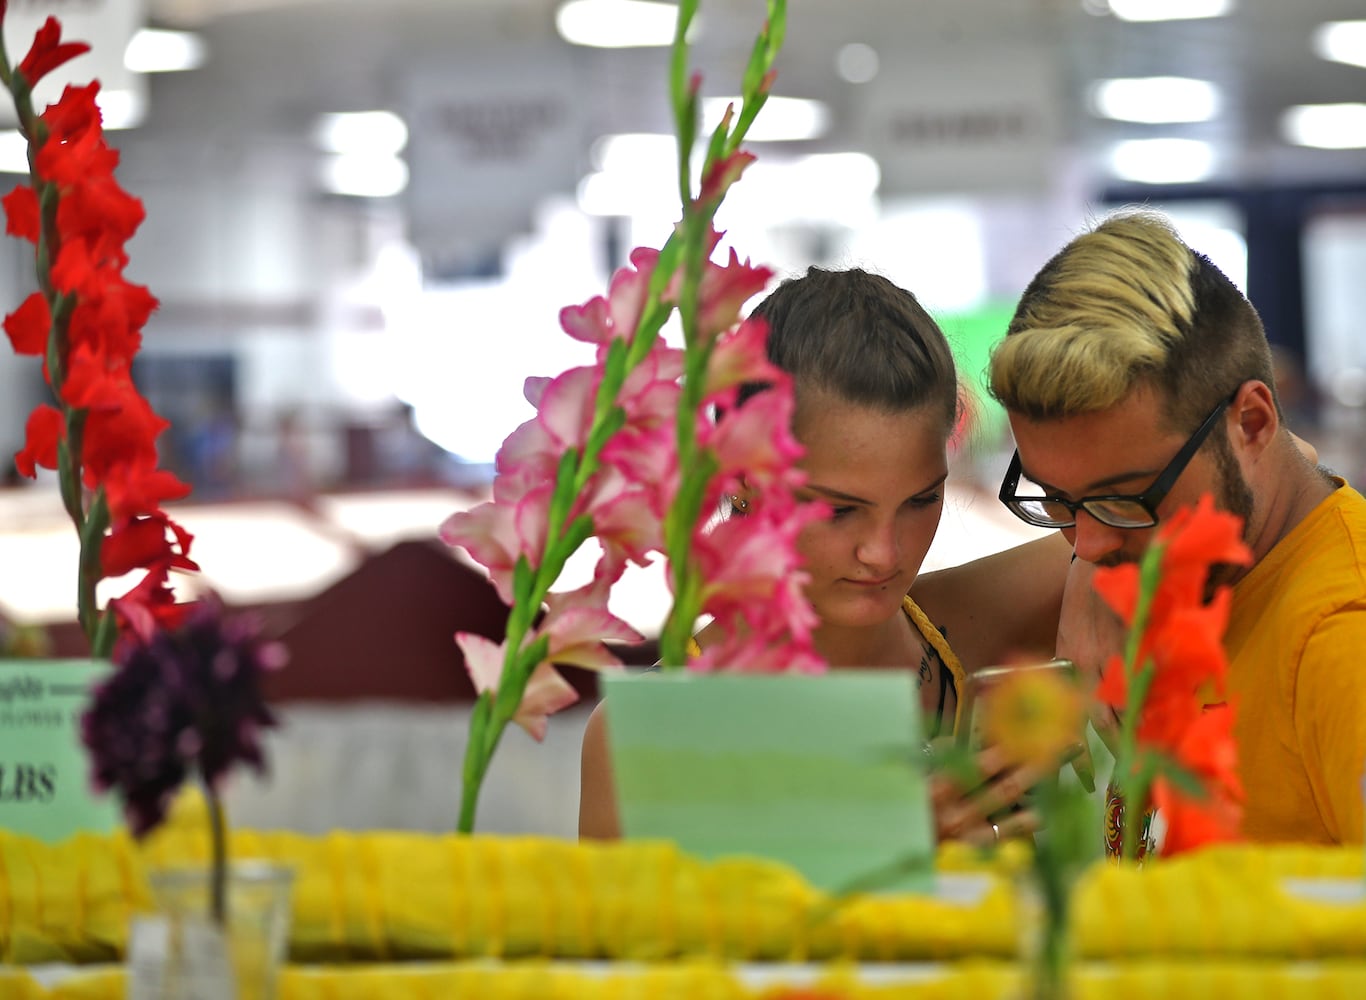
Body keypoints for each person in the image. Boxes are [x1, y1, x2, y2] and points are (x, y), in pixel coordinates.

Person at [578, 266, 1074, 842]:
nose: (883, 553)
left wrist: (1090, 572)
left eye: (920, 501)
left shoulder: (978, 630)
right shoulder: (644, 737)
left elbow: (1167, 532)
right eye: (839, 510)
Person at [988, 208, 1366, 845]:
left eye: (1127, 499)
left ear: (1251, 422)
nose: (1090, 545)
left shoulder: (1341, 641)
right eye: (1058, 501)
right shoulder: (1197, 578)